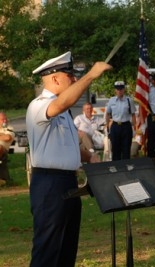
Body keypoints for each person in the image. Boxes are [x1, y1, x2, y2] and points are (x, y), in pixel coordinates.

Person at [26, 51, 111, 267]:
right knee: (48, 252)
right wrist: (91, 75)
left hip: (68, 183)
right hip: (49, 184)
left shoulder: (63, 111)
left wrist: (90, 157)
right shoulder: (40, 105)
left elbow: (68, 145)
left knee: (66, 250)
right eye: (69, 75)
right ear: (54, 78)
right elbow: (62, 103)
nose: (74, 79)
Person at [106, 81, 136, 160]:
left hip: (126, 126)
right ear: (115, 90)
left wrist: (134, 128)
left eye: (121, 89)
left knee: (126, 149)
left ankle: (125, 169)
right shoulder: (111, 100)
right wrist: (107, 127)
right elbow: (108, 114)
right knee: (115, 149)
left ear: (124, 89)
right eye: (118, 89)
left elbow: (133, 115)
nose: (119, 91)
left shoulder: (129, 100)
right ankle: (116, 169)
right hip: (115, 126)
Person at [0, 112, 15, 185]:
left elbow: (7, 137)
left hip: (3, 151)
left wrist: (3, 135)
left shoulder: (9, 128)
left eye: (5, 119)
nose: (5, 121)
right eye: (2, 119)